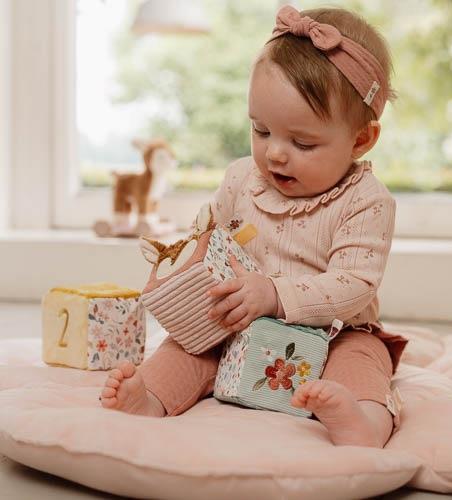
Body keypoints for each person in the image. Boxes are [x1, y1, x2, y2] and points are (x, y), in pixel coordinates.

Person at [99, 5, 408, 448]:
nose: (275, 153)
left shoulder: (366, 200)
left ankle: (363, 422)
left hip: (335, 332)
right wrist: (185, 267)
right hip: (238, 326)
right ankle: (149, 397)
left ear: (360, 139)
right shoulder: (242, 179)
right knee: (188, 346)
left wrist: (275, 295)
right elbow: (210, 238)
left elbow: (355, 284)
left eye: (302, 142)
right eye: (261, 131)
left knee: (362, 360)